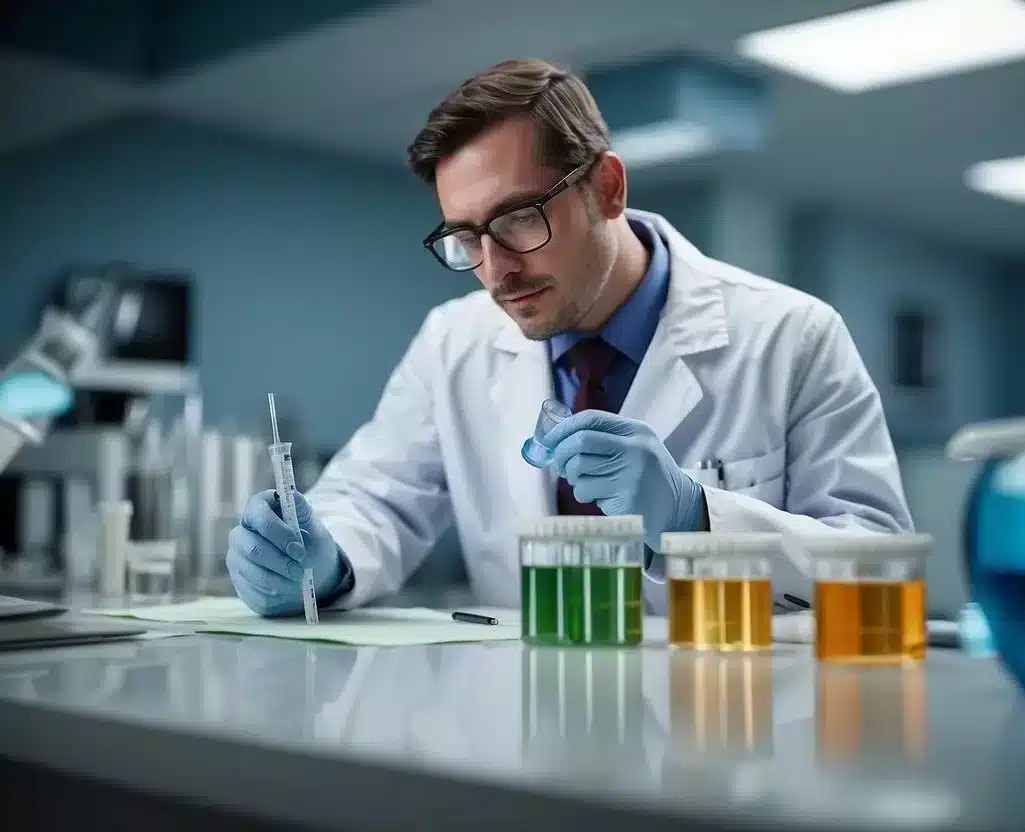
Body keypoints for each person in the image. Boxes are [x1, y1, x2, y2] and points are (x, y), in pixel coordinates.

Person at [226, 58, 914, 617]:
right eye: (465, 237)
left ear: (607, 189)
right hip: (526, 734)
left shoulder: (792, 337)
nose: (495, 270)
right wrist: (322, 560)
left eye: (519, 219)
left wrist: (694, 518)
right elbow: (375, 501)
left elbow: (879, 568)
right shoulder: (452, 342)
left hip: (731, 738)